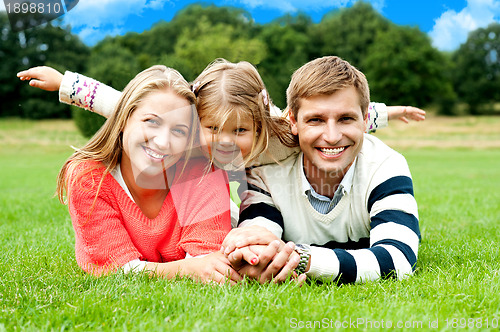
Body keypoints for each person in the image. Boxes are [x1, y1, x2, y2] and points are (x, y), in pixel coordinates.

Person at [221, 56, 421, 284]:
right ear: (293, 122)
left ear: (366, 120)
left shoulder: (386, 165)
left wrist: (302, 258)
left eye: (346, 118)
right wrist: (258, 258)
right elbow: (255, 248)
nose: (332, 137)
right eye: (316, 120)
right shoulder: (266, 171)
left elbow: (397, 260)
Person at [47, 65, 243, 284]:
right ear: (122, 120)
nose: (162, 141)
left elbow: (207, 261)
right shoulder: (89, 178)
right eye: (152, 122)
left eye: (179, 131)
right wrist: (187, 269)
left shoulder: (203, 171)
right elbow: (115, 268)